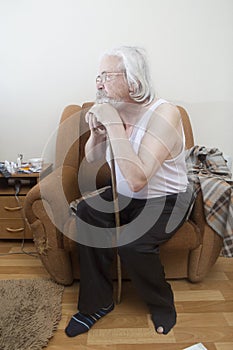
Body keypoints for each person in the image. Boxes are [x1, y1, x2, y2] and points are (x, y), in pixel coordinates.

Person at [65, 46, 193, 337]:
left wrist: (114, 125)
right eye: (98, 76)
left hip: (166, 199)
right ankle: (96, 304)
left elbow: (138, 180)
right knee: (86, 213)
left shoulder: (165, 114)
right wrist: (99, 133)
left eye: (106, 76)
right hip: (127, 196)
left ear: (133, 80)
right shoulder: (116, 110)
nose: (99, 83)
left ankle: (162, 303)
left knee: (132, 243)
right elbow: (95, 158)